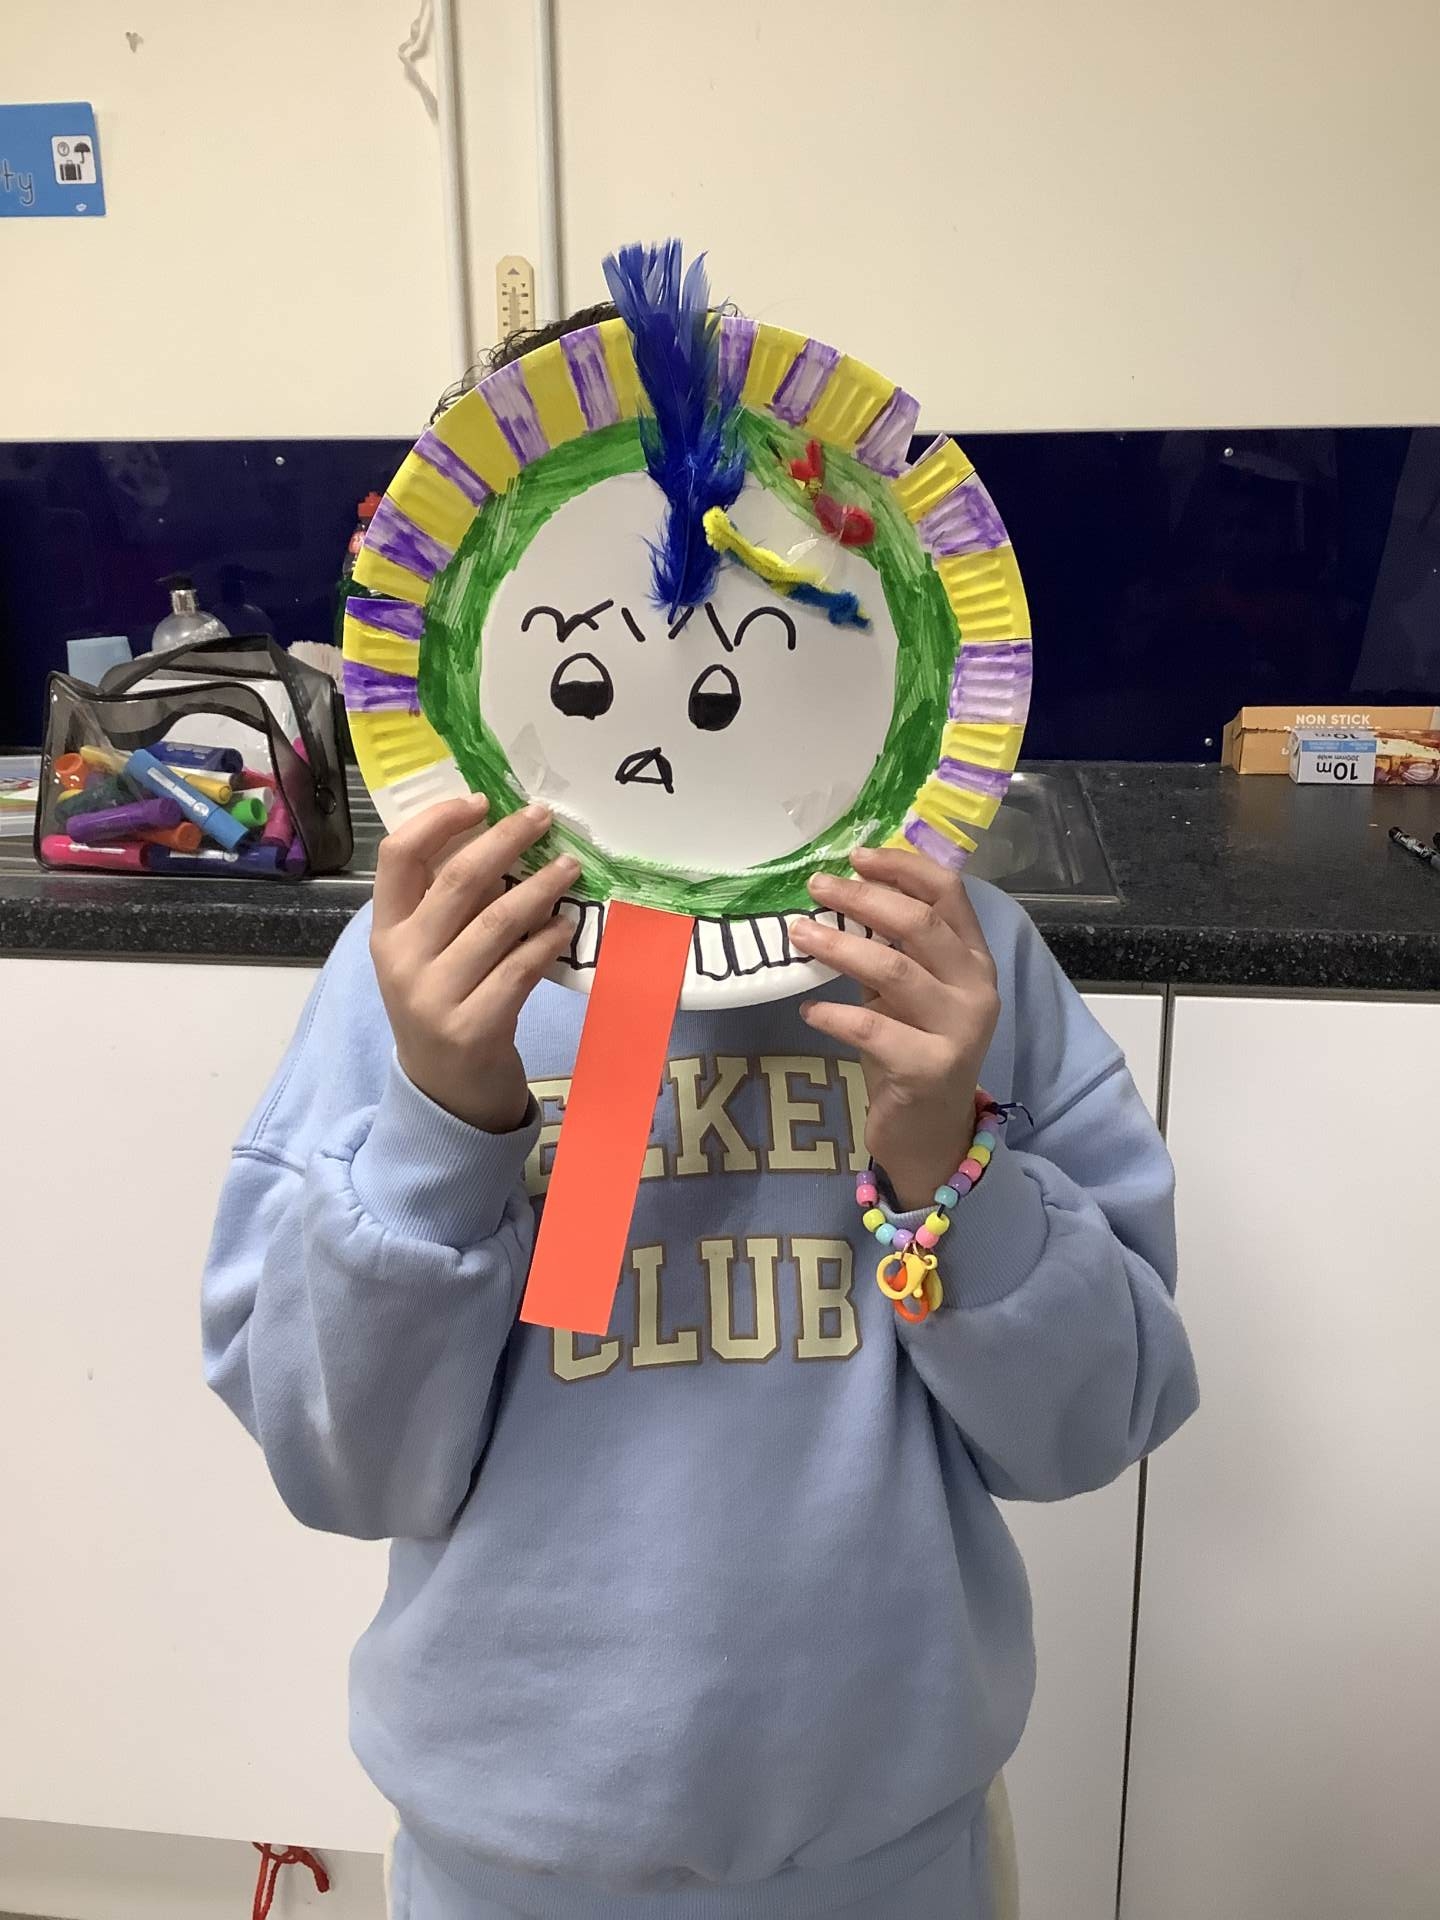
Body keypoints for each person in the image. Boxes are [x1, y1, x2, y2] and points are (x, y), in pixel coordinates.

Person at [202, 318, 1198, 1920]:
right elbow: (343, 1467)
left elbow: (1092, 1425)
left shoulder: (963, 967)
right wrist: (444, 1118)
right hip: (512, 1852)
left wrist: (944, 1155)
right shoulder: (415, 983)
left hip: (892, 1851)